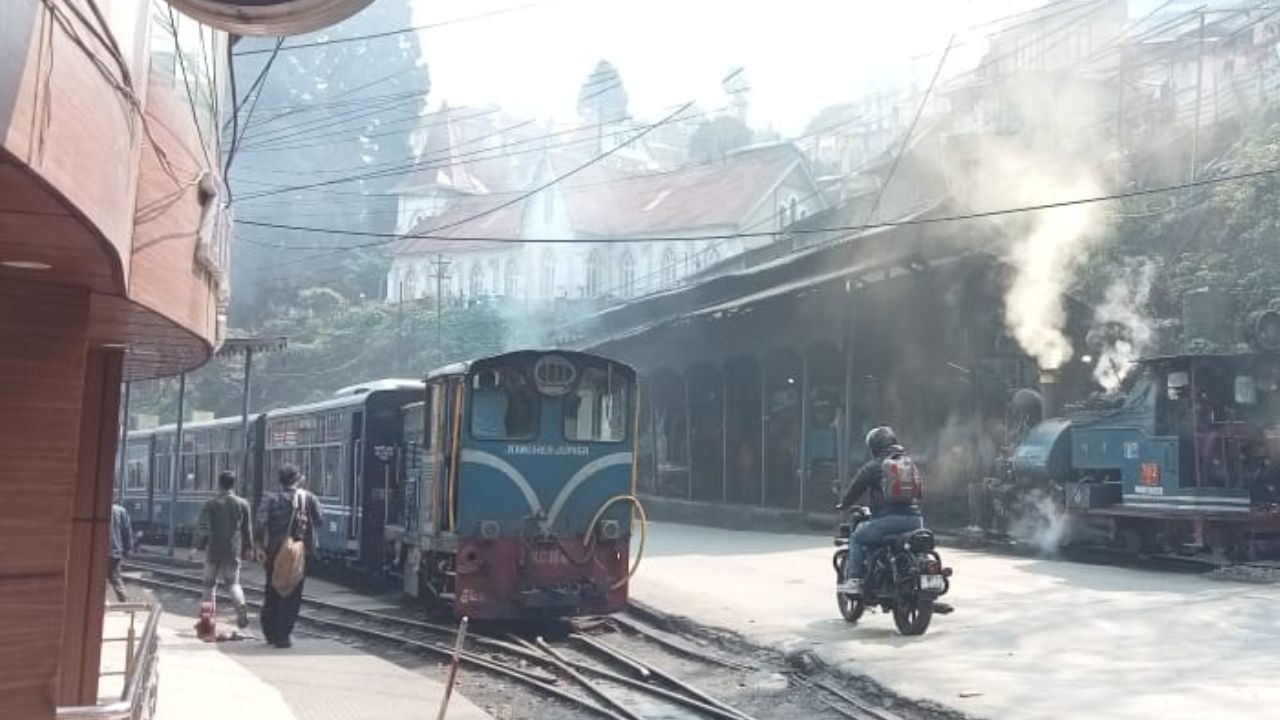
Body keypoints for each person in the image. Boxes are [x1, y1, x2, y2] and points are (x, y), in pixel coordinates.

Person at [836, 426, 924, 596]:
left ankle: (856, 580)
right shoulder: (908, 463)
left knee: (857, 537)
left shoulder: (875, 466)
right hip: (915, 520)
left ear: (874, 446)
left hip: (887, 522)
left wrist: (844, 504)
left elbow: (855, 488)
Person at [256, 464, 323, 649]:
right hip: (299, 553)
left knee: (272, 589)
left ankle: (269, 631)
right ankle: (282, 636)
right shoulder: (308, 498)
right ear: (299, 478)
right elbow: (319, 521)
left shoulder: (270, 498)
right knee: (292, 593)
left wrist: (259, 545)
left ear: (280, 480)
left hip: (275, 552)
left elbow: (260, 523)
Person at [194, 471, 253, 629]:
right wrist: (249, 548)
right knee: (233, 583)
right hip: (233, 549)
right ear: (234, 484)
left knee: (208, 584)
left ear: (219, 484)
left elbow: (203, 528)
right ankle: (240, 605)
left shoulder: (211, 504)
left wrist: (195, 547)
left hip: (213, 549)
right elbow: (247, 529)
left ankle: (208, 619)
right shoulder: (243, 503)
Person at [107, 502, 133, 602]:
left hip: (98, 552)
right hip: (115, 551)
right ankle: (127, 606)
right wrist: (127, 549)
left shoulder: (96, 507)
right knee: (116, 580)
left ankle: (101, 606)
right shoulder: (121, 511)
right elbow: (127, 532)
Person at [471, 370, 509, 439]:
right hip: (499, 437)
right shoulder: (502, 395)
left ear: (480, 382)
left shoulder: (473, 395)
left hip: (475, 436)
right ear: (493, 382)